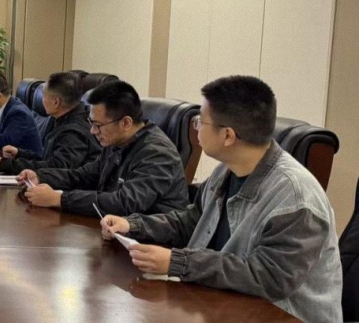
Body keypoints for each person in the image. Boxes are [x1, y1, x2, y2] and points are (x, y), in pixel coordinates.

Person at [101, 76, 342, 323]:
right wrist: (133, 225)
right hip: (225, 306)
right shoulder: (227, 170)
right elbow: (192, 220)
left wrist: (178, 262)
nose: (196, 128)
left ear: (227, 136)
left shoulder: (296, 196)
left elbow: (269, 277)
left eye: (200, 121)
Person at [19, 80, 188, 217]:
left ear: (126, 123)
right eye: (91, 123)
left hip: (148, 241)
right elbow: (83, 175)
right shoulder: (116, 141)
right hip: (114, 228)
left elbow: (125, 203)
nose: (93, 131)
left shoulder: (157, 153)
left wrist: (60, 199)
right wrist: (41, 176)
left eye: (98, 125)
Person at [0, 71, 100, 174]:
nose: (41, 99)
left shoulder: (73, 132)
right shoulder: (63, 119)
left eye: (43, 95)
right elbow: (49, 159)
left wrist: (8, 165)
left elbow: (57, 167)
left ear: (56, 102)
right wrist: (20, 153)